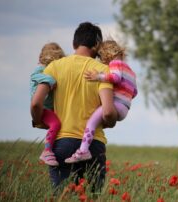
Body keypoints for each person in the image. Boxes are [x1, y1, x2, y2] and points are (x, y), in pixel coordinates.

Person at [30, 22, 117, 192]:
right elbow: (107, 112)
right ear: (97, 46)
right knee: (91, 197)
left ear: (74, 44)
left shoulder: (54, 67)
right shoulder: (102, 70)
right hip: (93, 145)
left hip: (62, 143)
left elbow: (35, 103)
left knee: (63, 196)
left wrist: (39, 120)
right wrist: (112, 120)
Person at [65, 40, 138, 163]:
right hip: (125, 108)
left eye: (100, 57)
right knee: (98, 120)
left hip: (116, 105)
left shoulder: (115, 63)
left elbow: (115, 77)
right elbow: (134, 92)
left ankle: (83, 151)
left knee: (91, 122)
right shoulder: (131, 71)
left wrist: (98, 76)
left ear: (106, 54)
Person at [30, 42, 65, 166]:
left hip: (49, 107)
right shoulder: (41, 69)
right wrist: (51, 80)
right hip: (43, 108)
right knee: (55, 123)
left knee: (56, 123)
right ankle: (47, 150)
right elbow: (34, 76)